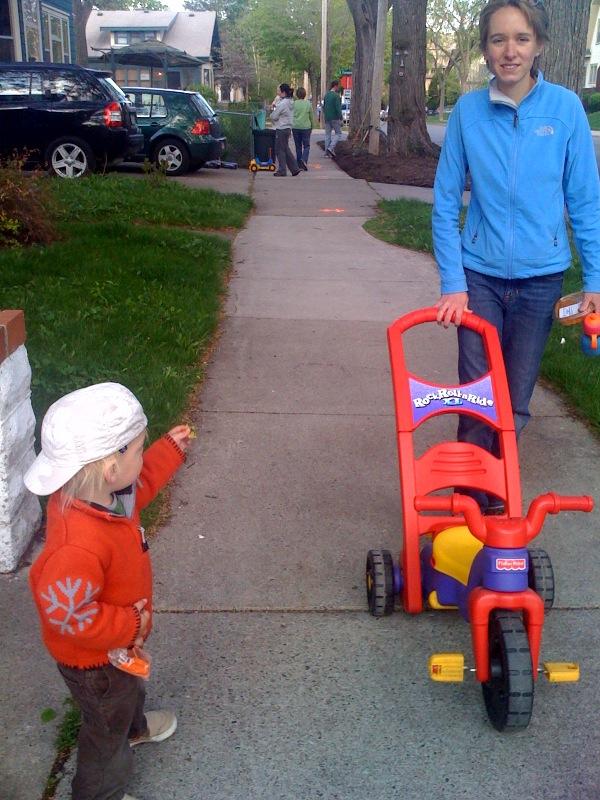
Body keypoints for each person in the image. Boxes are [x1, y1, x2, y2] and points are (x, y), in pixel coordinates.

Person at [432, 0, 600, 512]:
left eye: (521, 38)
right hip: (479, 278)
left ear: (539, 45)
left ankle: (495, 501)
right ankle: (466, 506)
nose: (510, 50)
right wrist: (453, 283)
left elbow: (585, 202)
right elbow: (445, 202)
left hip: (540, 281)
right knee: (475, 397)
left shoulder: (565, 110)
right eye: (498, 39)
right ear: (485, 49)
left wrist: (594, 280)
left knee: (515, 403)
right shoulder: (468, 113)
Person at [26, 382, 193, 800]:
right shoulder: (76, 548)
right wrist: (130, 624)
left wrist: (167, 451)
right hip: (95, 663)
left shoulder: (108, 495)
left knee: (128, 691)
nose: (143, 457)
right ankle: (99, 792)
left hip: (118, 648)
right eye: (139, 450)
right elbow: (68, 615)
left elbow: (142, 483)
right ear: (110, 468)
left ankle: (132, 728)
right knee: (105, 732)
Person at [270, 83, 300, 177]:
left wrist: (272, 112)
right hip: (287, 128)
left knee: (279, 150)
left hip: (281, 128)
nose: (277, 92)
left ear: (283, 92)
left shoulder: (282, 104)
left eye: (279, 91)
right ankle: (294, 168)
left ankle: (282, 170)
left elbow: (274, 116)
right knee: (285, 149)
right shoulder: (290, 102)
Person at [292, 87, 314, 171]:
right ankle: (304, 160)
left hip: (295, 127)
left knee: (298, 146)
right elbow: (311, 117)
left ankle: (299, 164)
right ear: (304, 95)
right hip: (306, 127)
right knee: (306, 146)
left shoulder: (294, 104)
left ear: (297, 95)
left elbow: (291, 115)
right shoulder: (308, 104)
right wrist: (312, 126)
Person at [322, 80, 342, 157]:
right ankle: (330, 148)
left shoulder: (326, 95)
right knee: (338, 133)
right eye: (338, 86)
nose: (338, 87)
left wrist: (325, 115)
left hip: (327, 118)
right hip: (335, 118)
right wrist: (341, 117)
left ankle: (326, 153)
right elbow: (338, 108)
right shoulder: (336, 96)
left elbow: (324, 107)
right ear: (335, 86)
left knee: (327, 135)